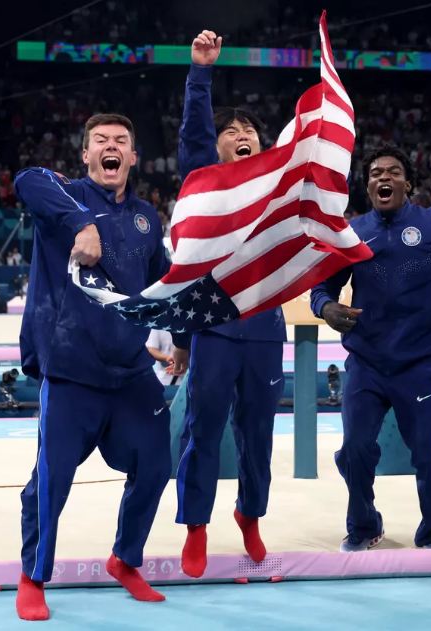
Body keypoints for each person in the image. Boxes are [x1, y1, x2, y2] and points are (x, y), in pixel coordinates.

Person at [310, 146, 431, 551]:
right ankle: (365, 526)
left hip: (420, 362)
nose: (383, 178)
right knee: (354, 450)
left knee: (428, 453)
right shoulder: (350, 233)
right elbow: (322, 288)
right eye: (375, 173)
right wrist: (326, 307)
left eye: (394, 172)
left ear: (409, 184)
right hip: (366, 362)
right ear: (367, 186)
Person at [14, 113, 173, 621]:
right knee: (52, 479)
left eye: (121, 142)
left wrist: (185, 338)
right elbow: (26, 179)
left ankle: (126, 560)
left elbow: (165, 285)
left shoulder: (148, 217)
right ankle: (33, 576)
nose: (111, 147)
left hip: (129, 372)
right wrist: (80, 222)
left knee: (156, 463)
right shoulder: (62, 194)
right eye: (100, 141)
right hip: (70, 370)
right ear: (85, 155)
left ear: (132, 158)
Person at [170, 30, 285, 577]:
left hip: (265, 327)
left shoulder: (280, 188)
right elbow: (194, 132)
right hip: (213, 325)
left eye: (250, 131)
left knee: (258, 433)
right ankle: (196, 526)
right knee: (204, 428)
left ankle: (250, 515)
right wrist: (200, 74)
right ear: (217, 147)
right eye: (232, 131)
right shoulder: (206, 180)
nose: (242, 135)